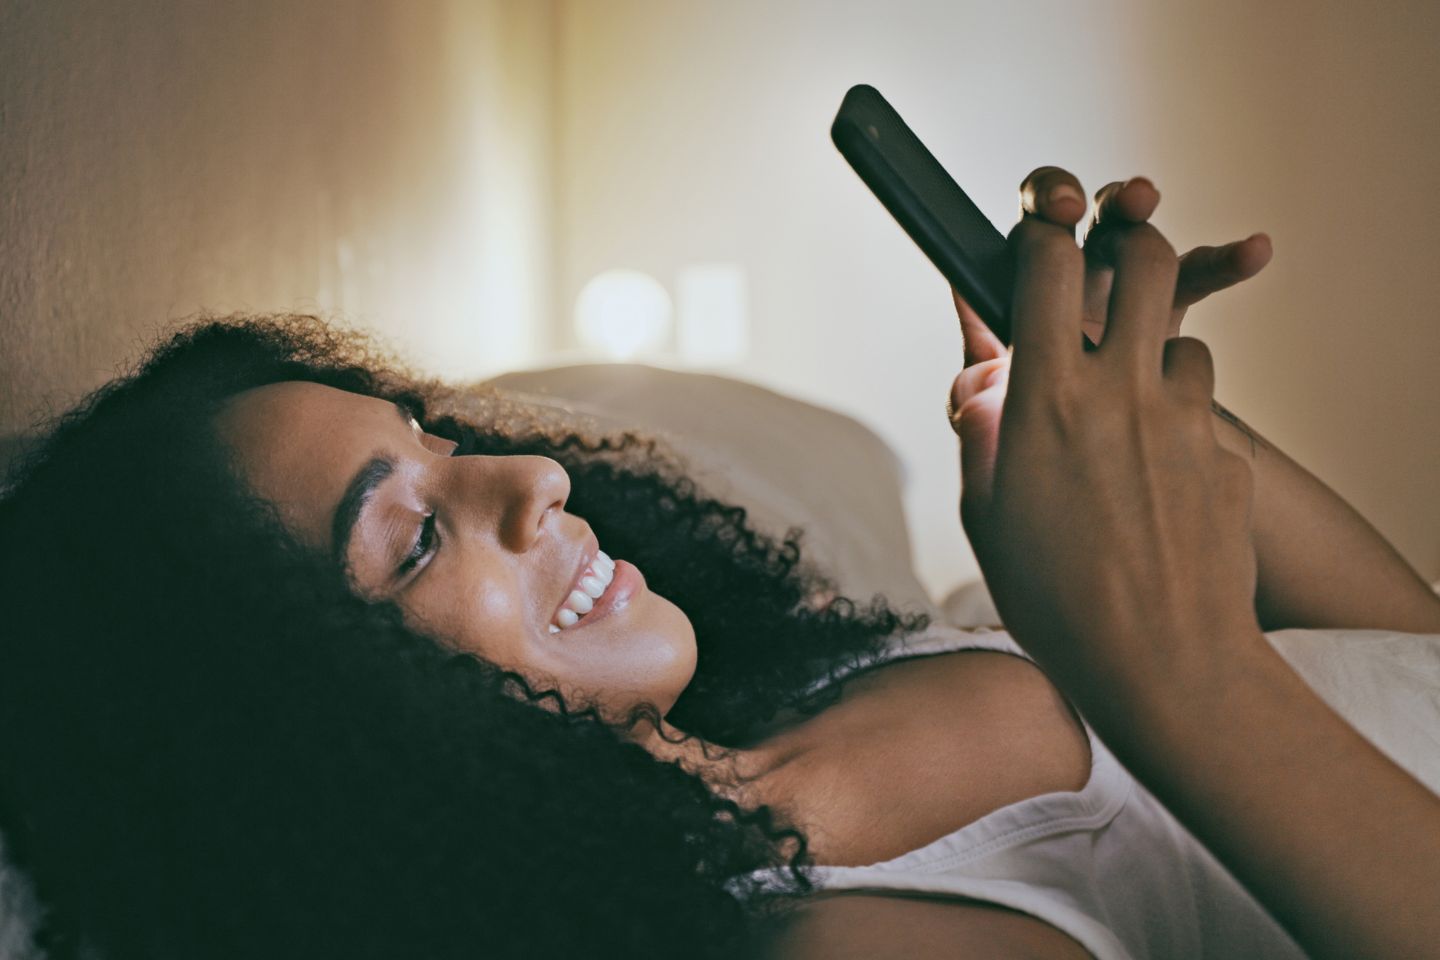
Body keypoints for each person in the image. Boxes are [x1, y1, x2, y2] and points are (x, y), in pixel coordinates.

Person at [0, 170, 1434, 960]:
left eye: (439, 440)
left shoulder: (822, 676)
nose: (532, 477)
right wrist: (1163, 656)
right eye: (418, 532)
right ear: (318, 744)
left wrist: (1129, 420)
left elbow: (1407, 668)